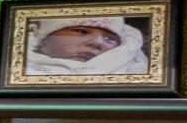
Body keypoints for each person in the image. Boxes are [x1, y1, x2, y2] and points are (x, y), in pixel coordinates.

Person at [23, 15, 151, 79]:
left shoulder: (129, 72)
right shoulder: (18, 67)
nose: (97, 43)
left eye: (110, 39)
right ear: (44, 39)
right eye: (80, 31)